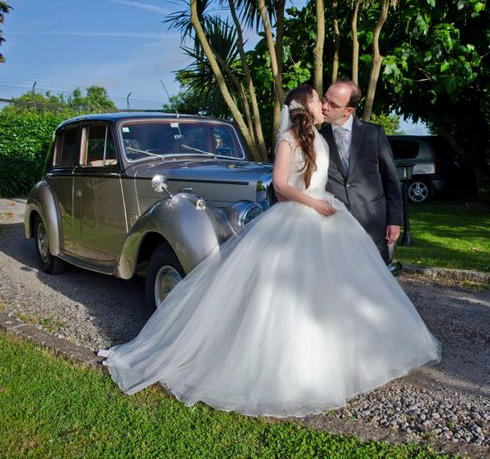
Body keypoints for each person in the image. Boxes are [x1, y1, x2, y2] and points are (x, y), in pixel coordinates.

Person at [98, 85, 441, 418]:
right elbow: (280, 184)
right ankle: (290, 371)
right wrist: (313, 203)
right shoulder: (288, 140)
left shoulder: (320, 139)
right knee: (286, 296)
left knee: (337, 289)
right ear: (303, 108)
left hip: (328, 217)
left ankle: (354, 357)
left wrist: (326, 205)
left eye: (326, 101)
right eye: (316, 100)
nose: (322, 104)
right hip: (300, 216)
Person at [320, 79, 402, 264]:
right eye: (325, 99)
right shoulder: (318, 137)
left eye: (333, 104)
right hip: (334, 224)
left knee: (377, 279)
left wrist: (395, 220)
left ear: (349, 110)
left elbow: (392, 180)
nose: (325, 106)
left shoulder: (374, 134)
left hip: (372, 221)